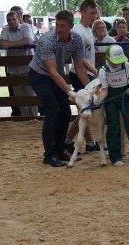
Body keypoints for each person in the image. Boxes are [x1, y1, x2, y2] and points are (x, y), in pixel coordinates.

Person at [28, 10, 90, 167]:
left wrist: (89, 88)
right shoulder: (46, 40)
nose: (59, 28)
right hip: (40, 76)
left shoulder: (77, 40)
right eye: (57, 24)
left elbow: (79, 66)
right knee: (53, 111)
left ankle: (61, 150)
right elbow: (52, 71)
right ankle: (49, 155)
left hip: (56, 76)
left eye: (63, 25)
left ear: (71, 26)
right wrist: (70, 91)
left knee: (65, 112)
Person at [95, 45, 129, 167]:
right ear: (107, 59)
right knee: (113, 126)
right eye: (114, 62)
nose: (116, 64)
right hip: (111, 99)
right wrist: (97, 101)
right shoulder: (103, 71)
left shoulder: (126, 65)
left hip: (126, 97)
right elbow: (104, 90)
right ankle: (115, 157)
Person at [65, 0, 103, 154]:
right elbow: (80, 58)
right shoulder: (78, 32)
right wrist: (94, 71)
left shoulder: (87, 30)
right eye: (91, 13)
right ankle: (73, 140)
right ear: (82, 12)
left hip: (86, 73)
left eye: (95, 12)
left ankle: (84, 142)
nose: (94, 16)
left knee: (86, 110)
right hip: (79, 73)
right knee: (85, 110)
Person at [0, 9, 38, 117]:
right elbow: (1, 44)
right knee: (19, 96)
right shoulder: (5, 29)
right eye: (9, 20)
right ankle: (25, 118)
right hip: (13, 68)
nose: (11, 21)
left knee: (31, 94)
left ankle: (34, 117)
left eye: (13, 19)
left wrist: (10, 44)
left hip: (27, 67)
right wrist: (19, 44)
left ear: (18, 19)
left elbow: (28, 41)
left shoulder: (27, 27)